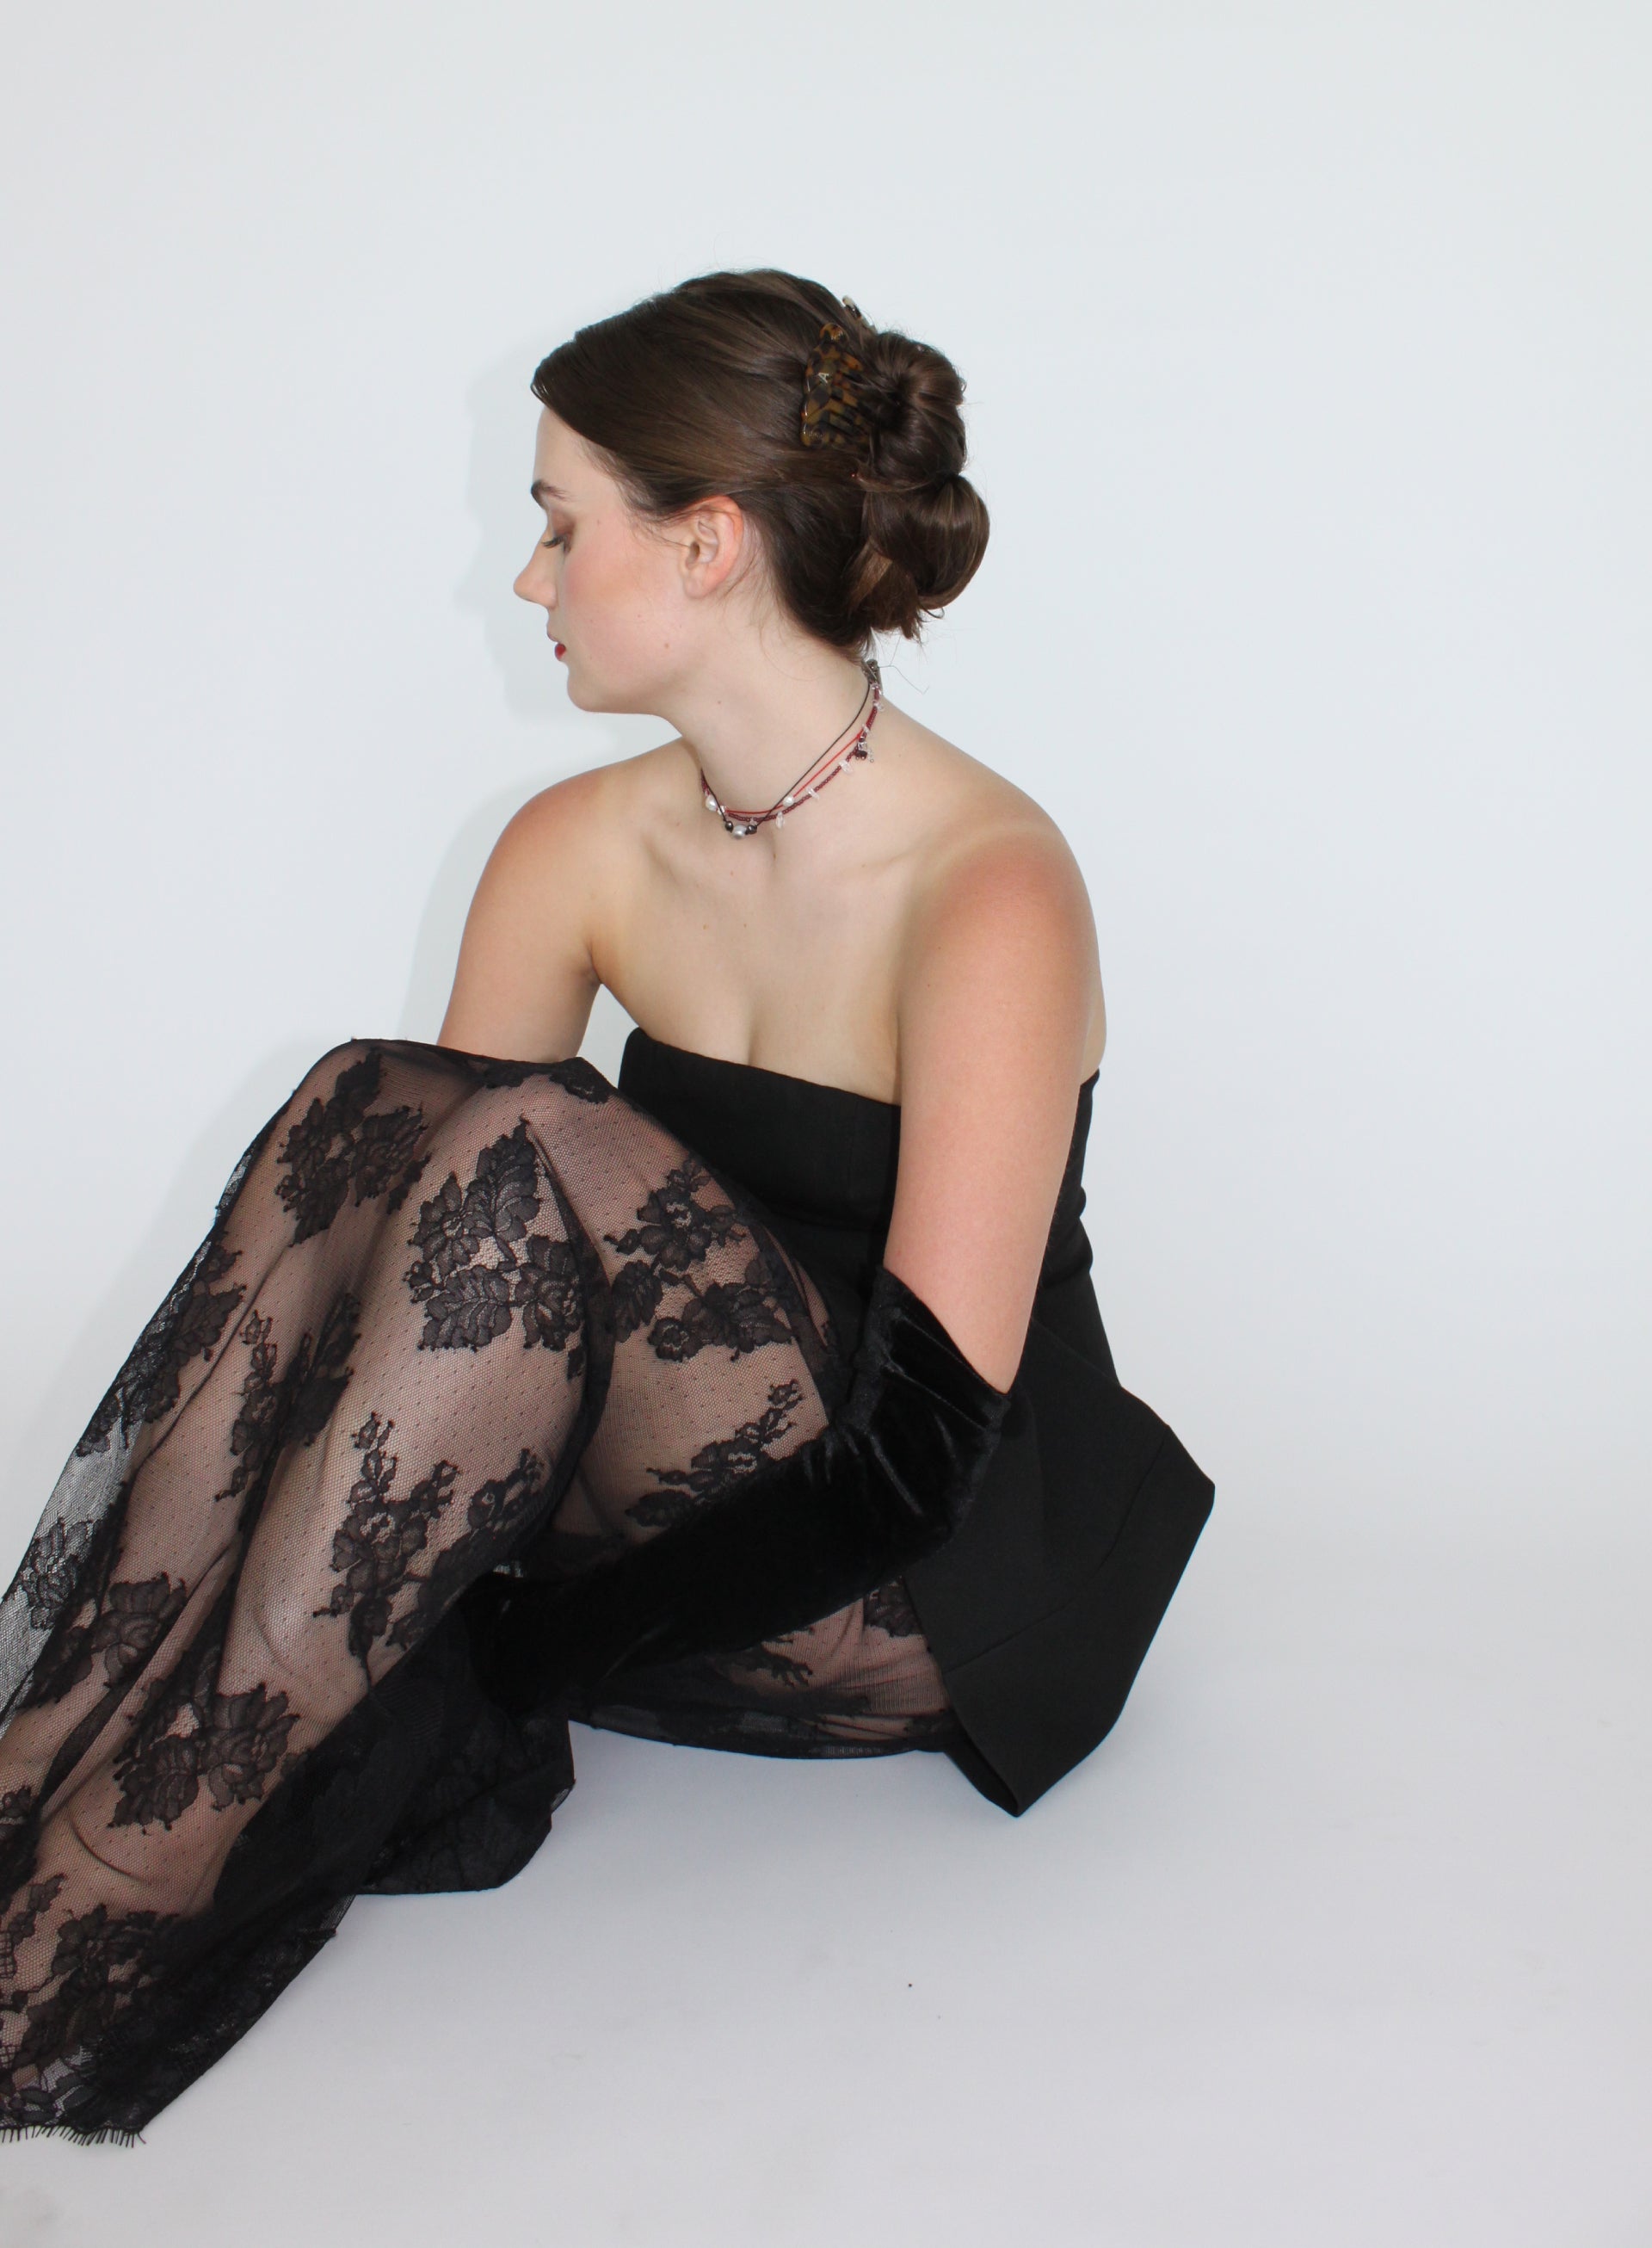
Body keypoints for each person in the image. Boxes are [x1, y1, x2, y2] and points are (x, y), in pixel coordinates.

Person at [0, 269, 1214, 2143]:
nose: (530, 577)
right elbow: (420, 1272)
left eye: (562, 526)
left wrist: (497, 1655)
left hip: (912, 1579)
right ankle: (50, 1754)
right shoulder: (574, 845)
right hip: (660, 1510)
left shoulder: (987, 889)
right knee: (380, 1106)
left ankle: (136, 1855)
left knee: (524, 1133)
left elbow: (917, 1462)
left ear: (709, 543)